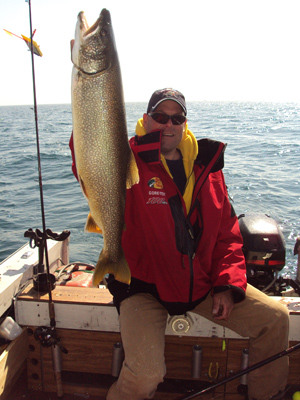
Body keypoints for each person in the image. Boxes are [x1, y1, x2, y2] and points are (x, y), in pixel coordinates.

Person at [70, 88, 289, 400]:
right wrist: (87, 98)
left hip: (200, 284)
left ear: (185, 124)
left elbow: (228, 233)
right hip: (142, 288)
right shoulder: (124, 159)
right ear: (146, 120)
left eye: (177, 118)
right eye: (160, 117)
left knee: (275, 320)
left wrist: (227, 284)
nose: (168, 124)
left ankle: (266, 395)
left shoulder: (207, 167)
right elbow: (87, 159)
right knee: (145, 375)